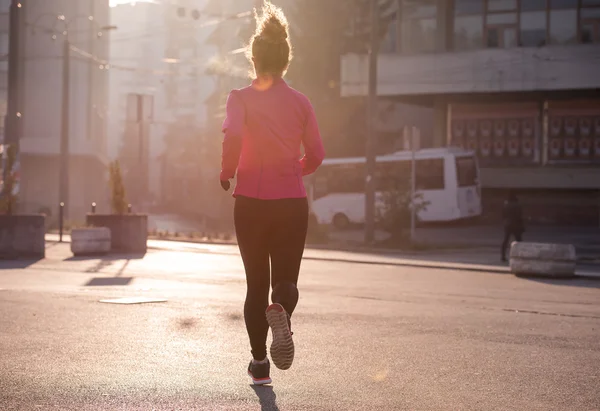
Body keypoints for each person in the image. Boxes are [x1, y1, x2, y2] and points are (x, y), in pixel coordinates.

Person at [219, 1, 325, 386]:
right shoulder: (301, 102)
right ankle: (281, 309)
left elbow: (232, 135)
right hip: (291, 204)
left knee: (254, 286)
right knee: (286, 282)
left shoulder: (240, 97)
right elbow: (317, 154)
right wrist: (296, 170)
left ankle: (260, 364)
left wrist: (227, 172)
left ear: (253, 57)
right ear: (285, 60)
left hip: (250, 203)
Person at [501, 191, 525, 262]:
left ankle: (503, 256)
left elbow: (503, 215)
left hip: (507, 224)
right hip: (516, 224)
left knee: (505, 240)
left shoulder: (506, 204)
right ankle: (521, 256)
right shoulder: (517, 205)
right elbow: (519, 216)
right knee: (519, 241)